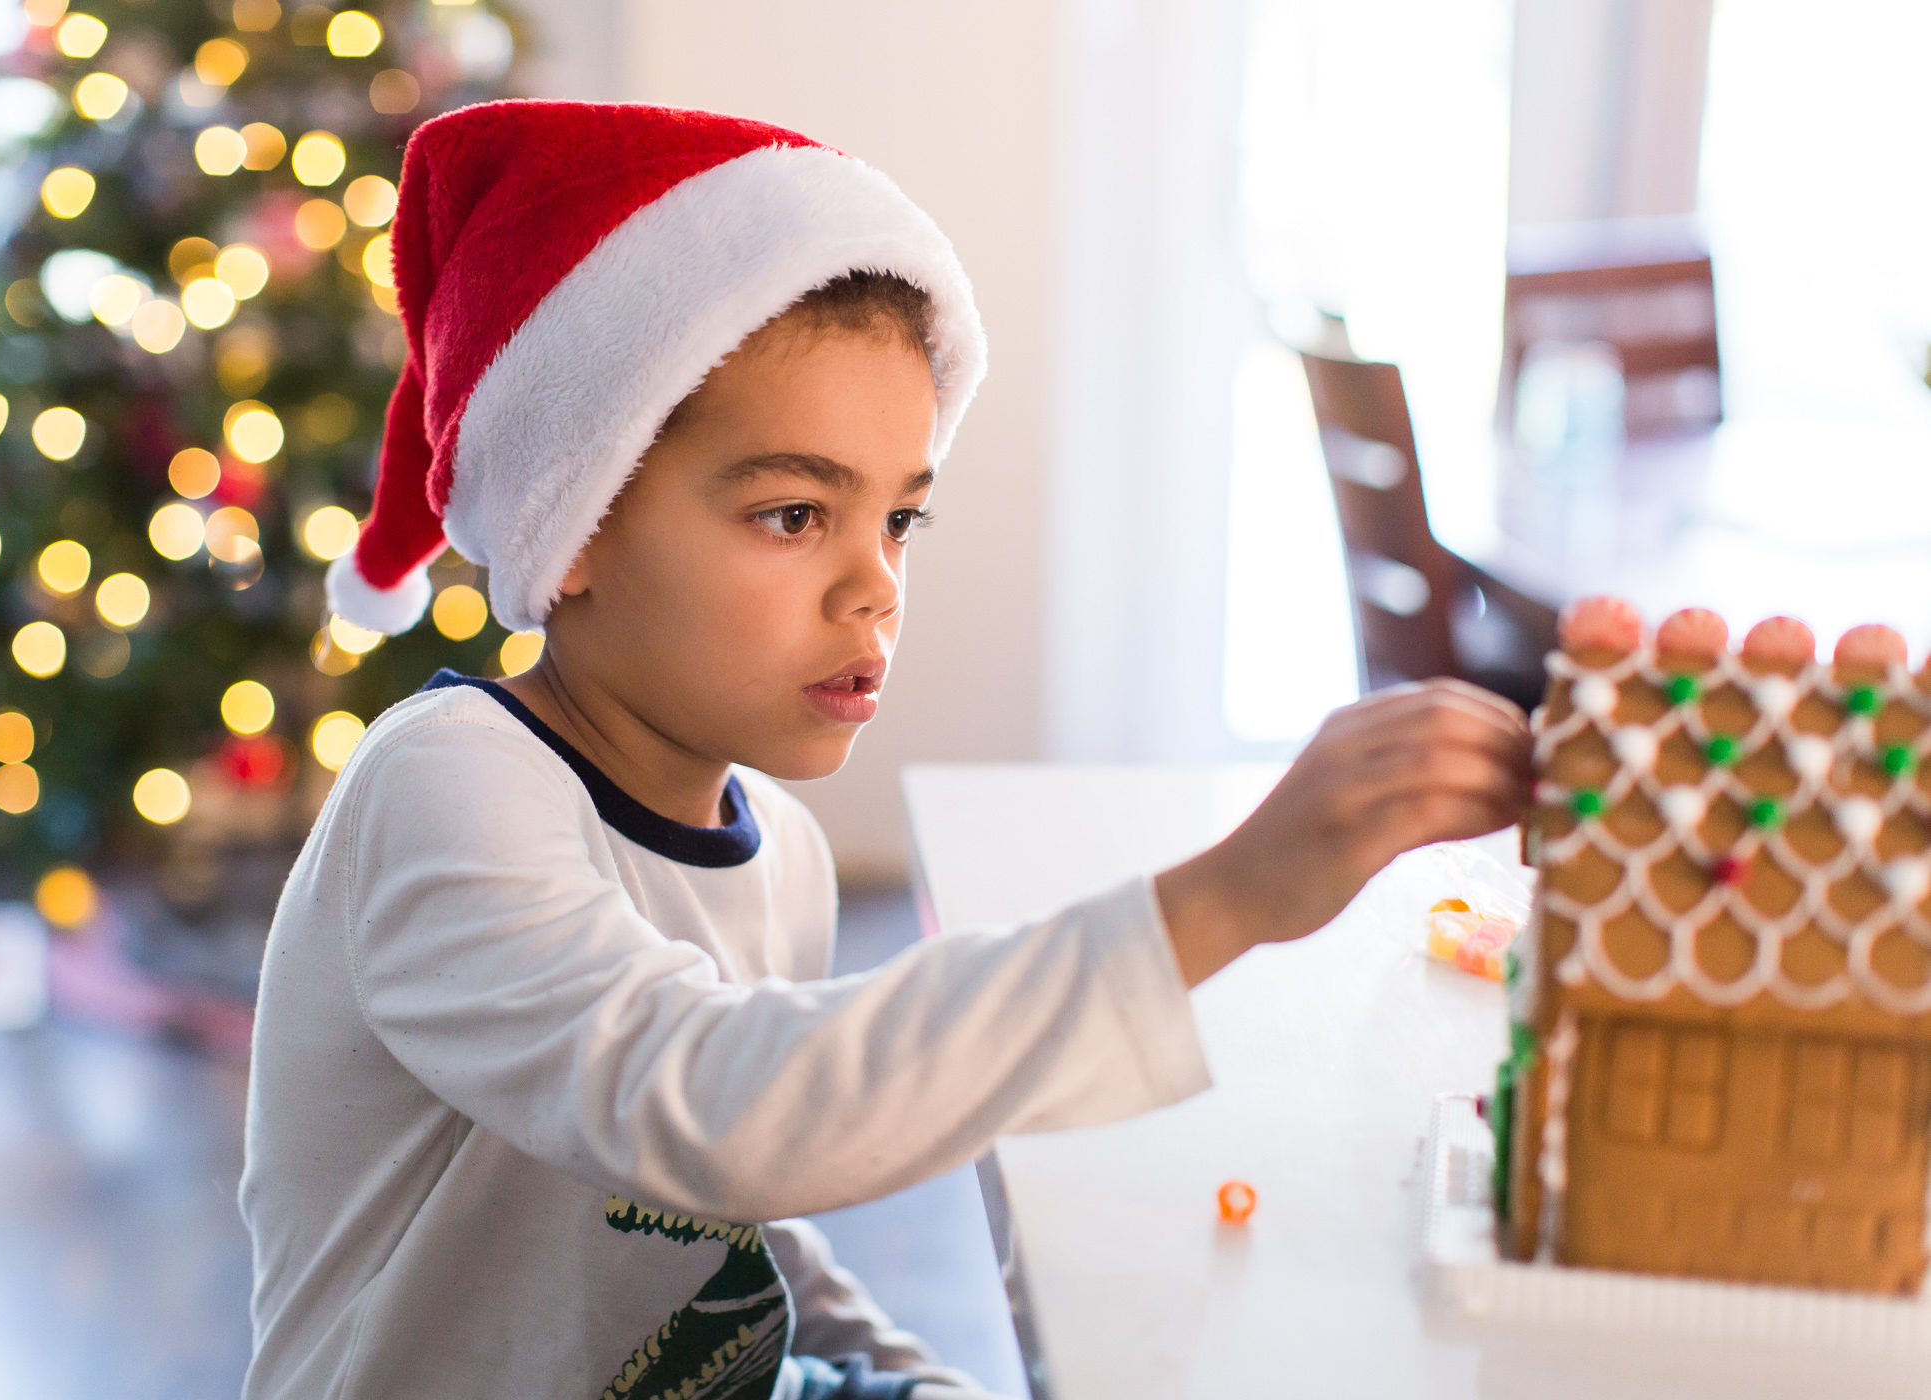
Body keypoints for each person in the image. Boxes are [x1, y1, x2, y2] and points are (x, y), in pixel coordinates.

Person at [239, 101, 1531, 1400]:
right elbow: (709, 1113)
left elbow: (726, 1228)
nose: (875, 589)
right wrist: (1218, 902)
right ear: (567, 525)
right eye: (794, 514)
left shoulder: (784, 858)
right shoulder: (446, 788)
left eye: (901, 517)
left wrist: (902, 1375)